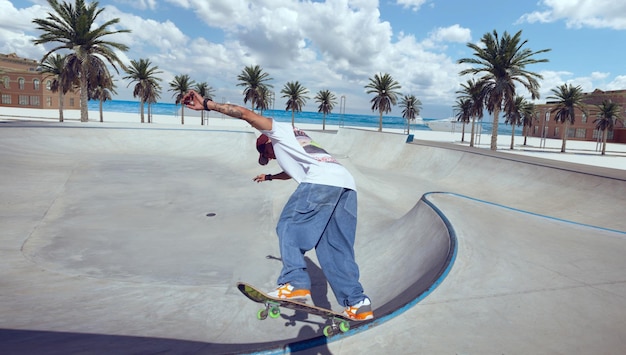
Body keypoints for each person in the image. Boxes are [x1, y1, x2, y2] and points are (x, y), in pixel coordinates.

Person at [182, 90, 373, 320]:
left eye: (267, 154)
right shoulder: (302, 141)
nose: (270, 158)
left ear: (268, 143)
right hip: (345, 185)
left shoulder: (276, 131)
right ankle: (358, 302)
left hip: (321, 181)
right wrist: (270, 177)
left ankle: (294, 283)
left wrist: (208, 105)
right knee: (334, 249)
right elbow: (290, 171)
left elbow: (244, 114)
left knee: (288, 226)